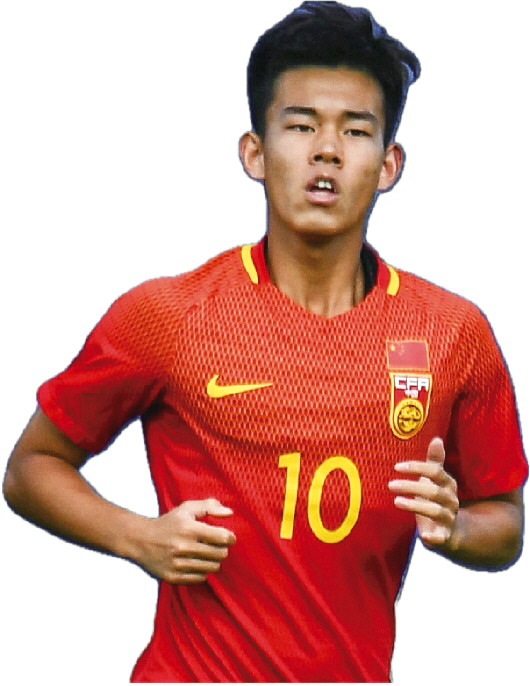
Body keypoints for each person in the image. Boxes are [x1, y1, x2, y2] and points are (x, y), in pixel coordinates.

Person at [3, 1, 527, 682]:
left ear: (389, 163)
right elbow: (30, 468)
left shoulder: (452, 333)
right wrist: (140, 538)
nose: (327, 150)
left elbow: (504, 521)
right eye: (301, 125)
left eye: (356, 130)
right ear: (254, 152)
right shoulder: (168, 316)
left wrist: (455, 530)